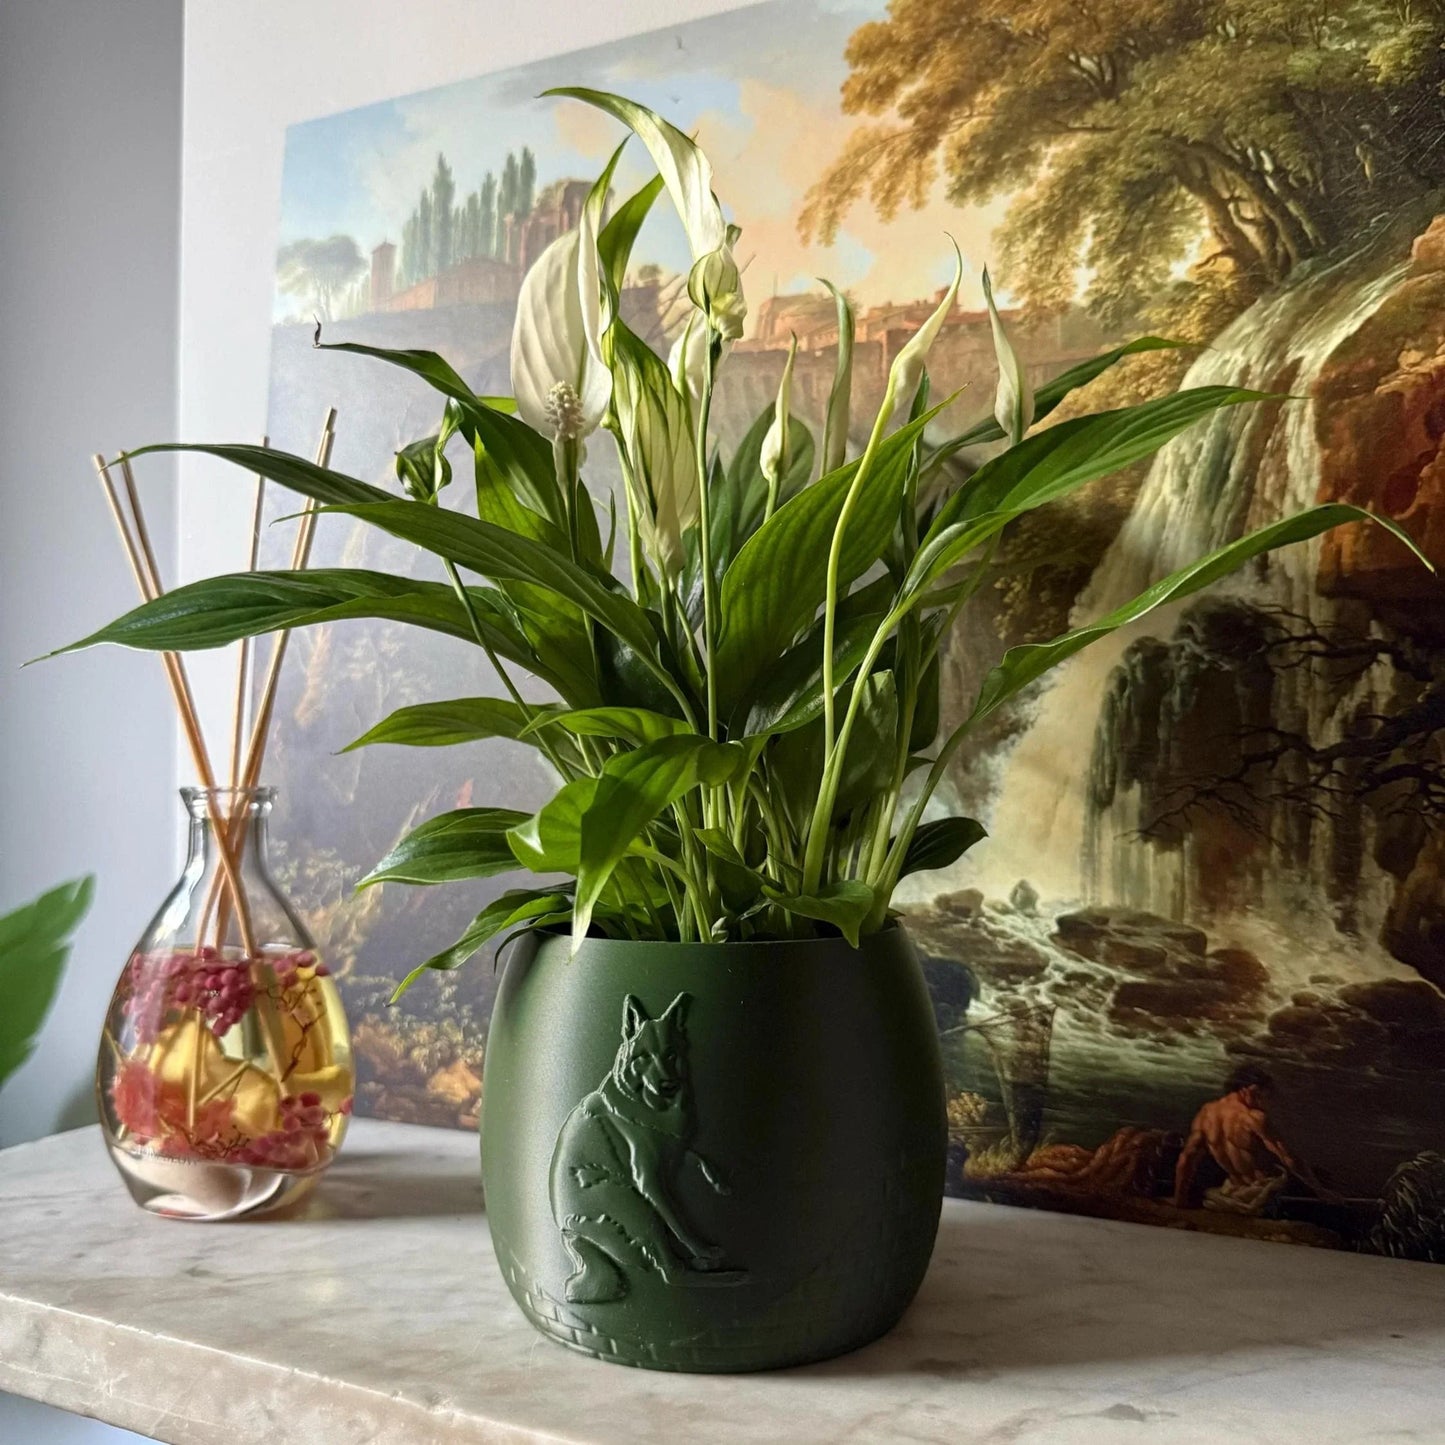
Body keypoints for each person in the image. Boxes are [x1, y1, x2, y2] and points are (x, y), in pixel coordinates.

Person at [1171, 1065, 1332, 1212]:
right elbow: (1288, 1157)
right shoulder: (1253, 1118)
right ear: (1252, 1089)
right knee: (1321, 1183)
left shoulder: (1206, 1114)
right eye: (1264, 1096)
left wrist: (1180, 1198)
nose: (1264, 1103)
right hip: (1262, 1193)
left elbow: (1186, 1159)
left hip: (1230, 1191)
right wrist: (1319, 1190)